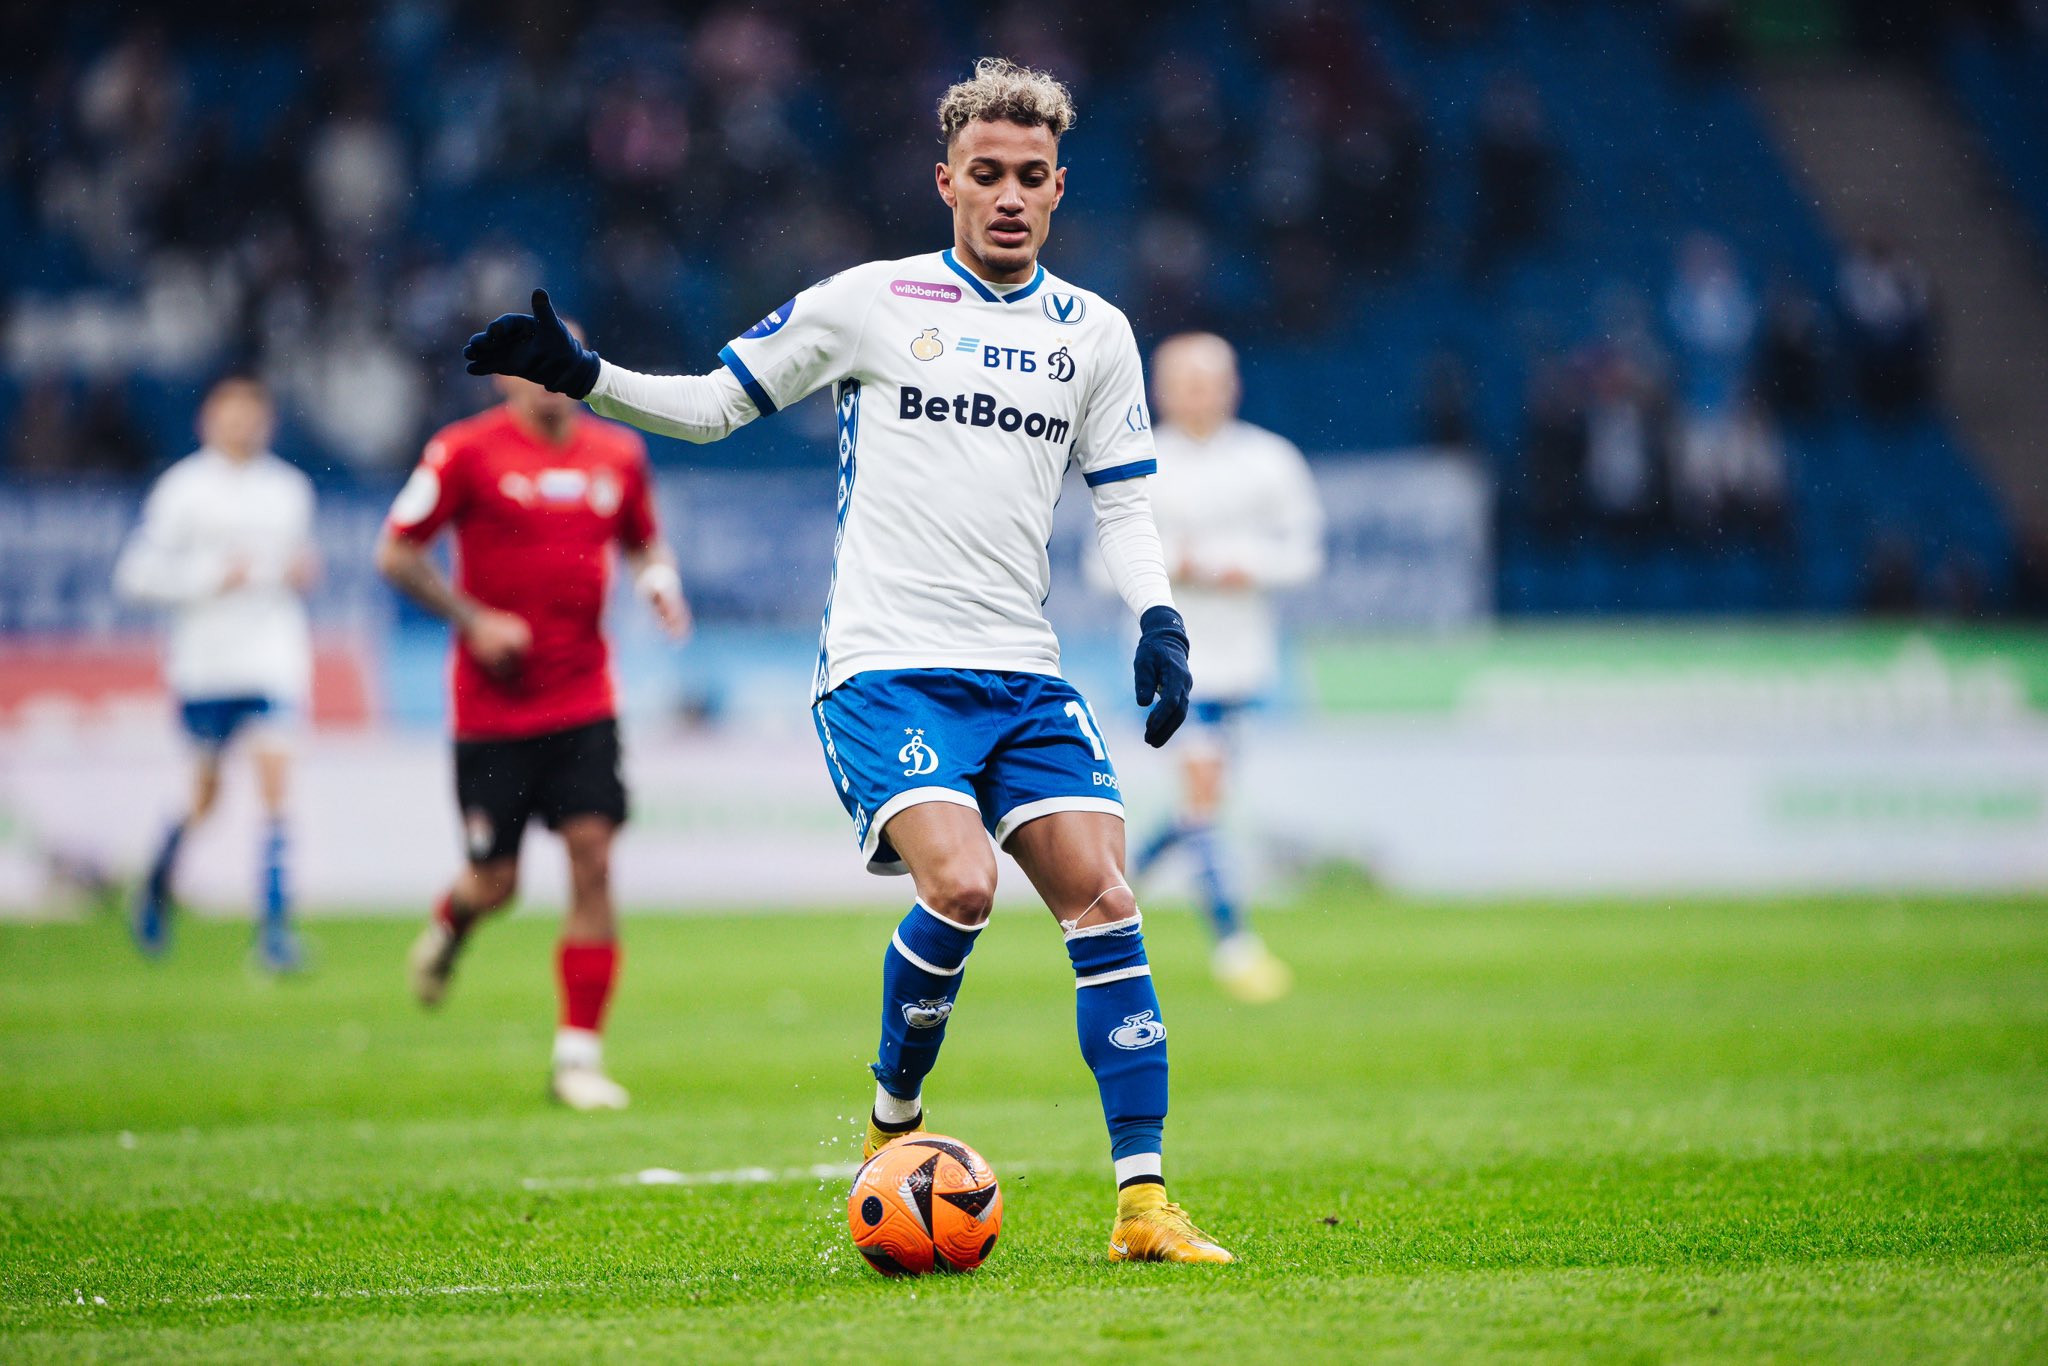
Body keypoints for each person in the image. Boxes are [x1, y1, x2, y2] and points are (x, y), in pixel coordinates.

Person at [461, 57, 1228, 1264]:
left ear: (1058, 187)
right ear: (945, 181)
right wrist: (587, 378)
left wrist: (1159, 620)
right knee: (961, 885)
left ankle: (1142, 1206)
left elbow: (1124, 502)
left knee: (1106, 900)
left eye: (1030, 176)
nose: (1009, 195)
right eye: (986, 173)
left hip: (1024, 674)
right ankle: (893, 1121)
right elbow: (714, 405)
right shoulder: (873, 300)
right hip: (886, 667)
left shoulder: (1094, 333)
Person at [374, 327, 689, 1112]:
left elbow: (645, 543)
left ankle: (577, 1059)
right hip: (493, 711)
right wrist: (474, 619)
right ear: (503, 377)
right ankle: (451, 924)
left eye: (563, 361)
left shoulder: (618, 454)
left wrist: (658, 582)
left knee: (593, 859)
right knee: (496, 881)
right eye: (534, 364)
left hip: (583, 700)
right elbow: (397, 553)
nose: (550, 377)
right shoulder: (463, 452)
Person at [1125, 333, 1324, 1004]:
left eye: (1208, 380)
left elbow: (1304, 554)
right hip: (1171, 661)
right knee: (1203, 801)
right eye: (1183, 380)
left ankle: (1113, 883)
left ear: (1231, 385)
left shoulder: (1269, 459)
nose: (1197, 393)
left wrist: (1243, 565)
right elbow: (1100, 560)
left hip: (1244, 659)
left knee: (1199, 805)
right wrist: (1169, 567)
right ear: (1160, 389)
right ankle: (1234, 945)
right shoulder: (1136, 459)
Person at [114, 376, 316, 972]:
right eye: (231, 416)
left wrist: (300, 572)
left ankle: (275, 932)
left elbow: (294, 564)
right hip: (205, 663)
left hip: (272, 657)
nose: (242, 426)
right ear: (209, 422)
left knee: (277, 785)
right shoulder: (182, 490)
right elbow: (135, 577)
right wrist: (209, 578)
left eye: (252, 416)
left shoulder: (289, 490)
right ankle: (155, 883)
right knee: (206, 798)